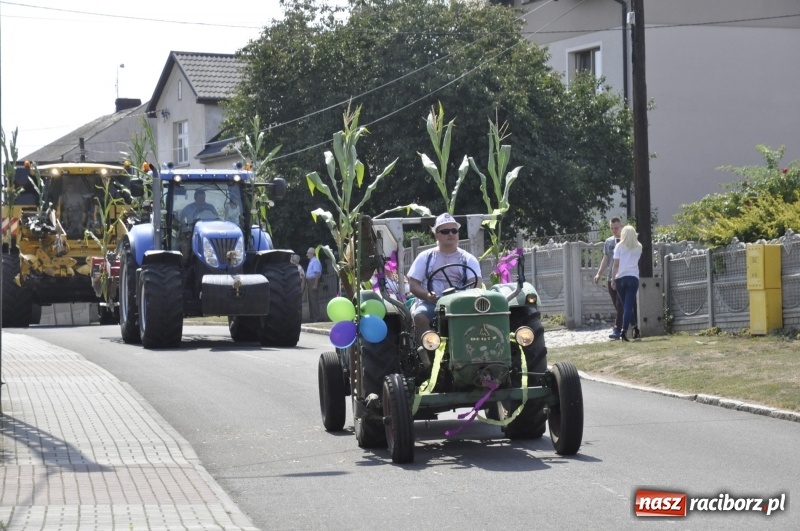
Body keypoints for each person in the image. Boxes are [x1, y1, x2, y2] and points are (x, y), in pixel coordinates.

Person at [407, 213, 481, 344]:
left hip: (461, 304)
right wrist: (427, 295)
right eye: (445, 231)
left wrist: (465, 298)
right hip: (431, 304)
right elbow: (413, 284)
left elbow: (476, 284)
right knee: (420, 316)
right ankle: (427, 356)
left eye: (454, 230)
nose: (450, 234)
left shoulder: (469, 259)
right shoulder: (425, 257)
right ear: (436, 235)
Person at [594, 217, 626, 340]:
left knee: (620, 304)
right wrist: (599, 274)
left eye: (616, 228)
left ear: (621, 227)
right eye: (612, 228)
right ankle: (626, 325)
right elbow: (606, 259)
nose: (614, 230)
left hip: (622, 277)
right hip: (610, 277)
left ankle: (617, 329)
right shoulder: (608, 242)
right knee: (617, 305)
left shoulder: (626, 241)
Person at [611, 225, 643, 342]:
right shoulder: (639, 247)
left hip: (620, 278)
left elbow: (616, 265)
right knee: (628, 306)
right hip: (633, 277)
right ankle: (633, 329)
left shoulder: (618, 246)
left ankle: (624, 331)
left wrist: (613, 279)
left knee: (626, 307)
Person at [305, 247, 323, 322]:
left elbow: (317, 273)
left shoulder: (315, 261)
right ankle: (313, 317)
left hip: (313, 281)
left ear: (312, 253)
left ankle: (317, 317)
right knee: (311, 300)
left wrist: (315, 284)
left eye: (308, 253)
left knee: (314, 300)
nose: (307, 255)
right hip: (310, 281)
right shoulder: (312, 261)